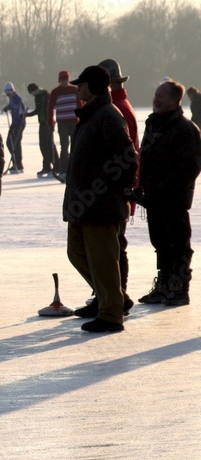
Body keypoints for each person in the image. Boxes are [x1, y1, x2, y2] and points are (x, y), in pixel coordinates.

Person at [62, 65, 136, 332]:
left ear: (93, 87)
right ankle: (114, 298)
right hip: (83, 205)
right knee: (77, 253)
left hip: (100, 206)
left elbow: (128, 158)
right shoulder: (91, 116)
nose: (78, 90)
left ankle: (111, 314)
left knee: (103, 261)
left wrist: (111, 191)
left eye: (81, 86)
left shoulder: (108, 115)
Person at [134, 80, 201, 306]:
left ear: (175, 100)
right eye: (155, 94)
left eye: (161, 95)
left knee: (179, 244)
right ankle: (163, 285)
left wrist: (168, 189)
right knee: (160, 243)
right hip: (153, 198)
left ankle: (180, 289)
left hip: (174, 200)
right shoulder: (154, 125)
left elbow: (190, 167)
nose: (156, 99)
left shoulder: (185, 128)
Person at [98, 58, 139, 315]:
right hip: (113, 190)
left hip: (113, 191)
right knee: (112, 245)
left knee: (114, 246)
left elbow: (125, 155)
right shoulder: (117, 105)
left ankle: (116, 297)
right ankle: (109, 295)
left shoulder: (117, 108)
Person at [48, 70, 81, 182]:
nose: (64, 82)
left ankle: (75, 169)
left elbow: (80, 104)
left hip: (74, 121)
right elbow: (50, 107)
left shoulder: (74, 89)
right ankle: (64, 170)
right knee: (64, 146)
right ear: (59, 80)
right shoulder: (55, 92)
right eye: (62, 80)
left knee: (75, 146)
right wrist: (50, 120)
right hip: (62, 123)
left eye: (66, 80)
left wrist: (82, 118)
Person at [26, 82, 57, 177]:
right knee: (48, 145)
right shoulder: (43, 94)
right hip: (46, 123)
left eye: (31, 93)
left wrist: (27, 114)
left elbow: (39, 110)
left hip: (46, 123)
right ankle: (52, 166)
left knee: (45, 146)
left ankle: (51, 167)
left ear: (34, 90)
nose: (32, 95)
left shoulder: (42, 96)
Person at [2, 82, 26, 173]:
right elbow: (13, 107)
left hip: (19, 124)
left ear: (11, 91)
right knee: (9, 142)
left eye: (7, 93)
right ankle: (15, 162)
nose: (7, 95)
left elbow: (21, 110)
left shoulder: (18, 99)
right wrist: (7, 107)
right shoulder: (12, 98)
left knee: (15, 143)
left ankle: (18, 165)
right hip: (14, 123)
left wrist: (11, 108)